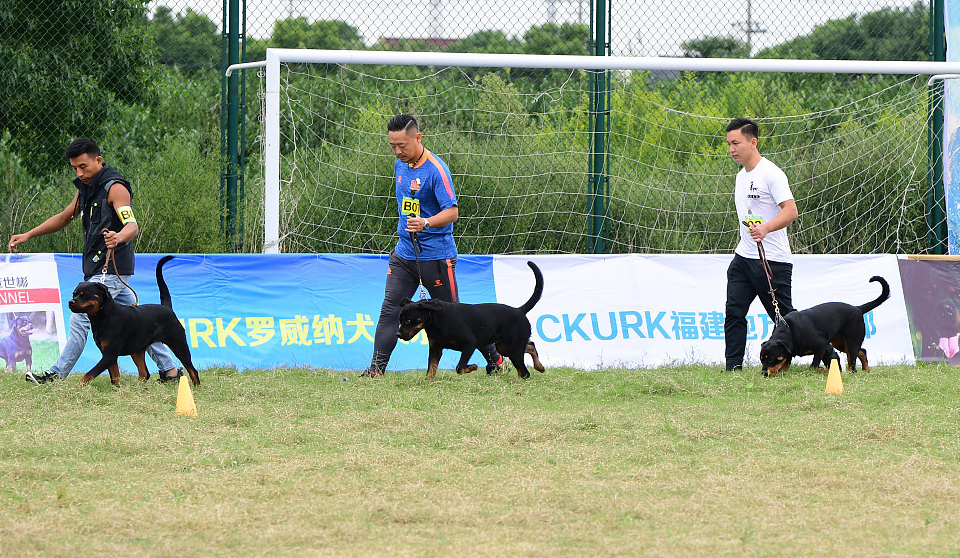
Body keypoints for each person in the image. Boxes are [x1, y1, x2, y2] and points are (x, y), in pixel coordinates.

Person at [9, 138, 182, 384]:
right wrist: (29, 234)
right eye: (74, 168)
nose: (79, 173)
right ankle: (170, 371)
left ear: (98, 160)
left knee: (80, 317)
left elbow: (131, 225)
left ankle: (56, 375)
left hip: (112, 269)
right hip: (96, 269)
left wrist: (118, 237)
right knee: (140, 323)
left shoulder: (115, 188)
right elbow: (63, 218)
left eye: (84, 166)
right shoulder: (85, 188)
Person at [360, 114, 503, 378]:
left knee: (459, 318)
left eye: (402, 145)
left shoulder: (437, 170)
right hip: (404, 255)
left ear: (417, 137)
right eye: (392, 145)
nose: (397, 151)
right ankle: (376, 371)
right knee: (390, 309)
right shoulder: (399, 165)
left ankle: (496, 359)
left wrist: (425, 223)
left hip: (436, 258)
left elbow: (452, 213)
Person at [723, 118, 798, 371]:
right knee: (734, 312)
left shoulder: (772, 174)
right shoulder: (740, 177)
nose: (732, 149)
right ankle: (733, 367)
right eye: (729, 144)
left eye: (736, 143)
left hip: (772, 261)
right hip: (743, 259)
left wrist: (765, 228)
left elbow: (791, 211)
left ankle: (825, 354)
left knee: (786, 319)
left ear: (753, 142)